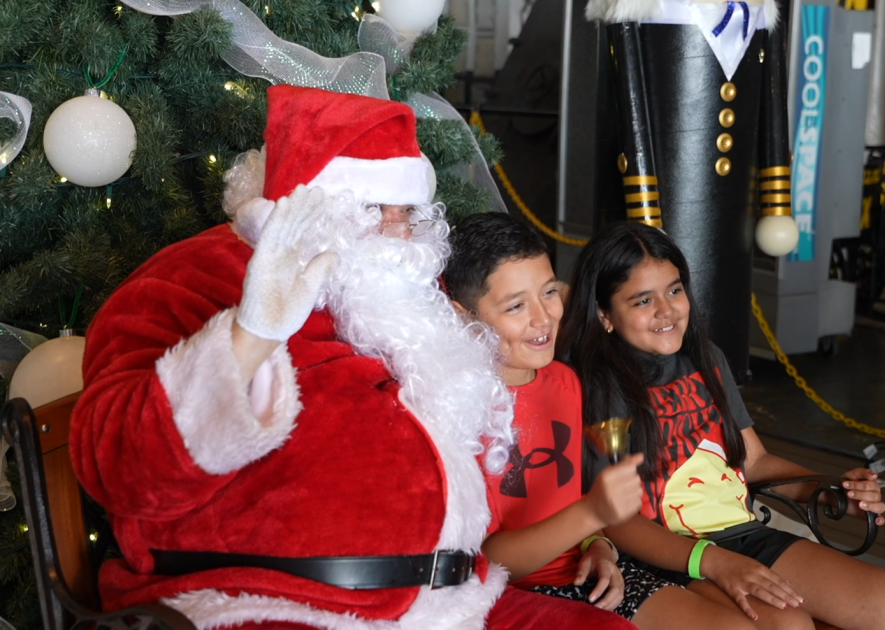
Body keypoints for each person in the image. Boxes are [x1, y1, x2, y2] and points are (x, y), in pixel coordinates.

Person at [69, 85, 632, 630]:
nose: (395, 230)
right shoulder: (189, 279)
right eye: (371, 206)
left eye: (405, 209)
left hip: (451, 601)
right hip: (275, 601)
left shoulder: (409, 296)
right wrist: (249, 338)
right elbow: (120, 469)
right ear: (305, 204)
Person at [557, 221, 885, 630]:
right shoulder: (599, 388)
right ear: (604, 314)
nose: (667, 310)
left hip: (742, 532)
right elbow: (614, 518)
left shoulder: (706, 358)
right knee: (788, 624)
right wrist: (715, 561)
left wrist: (830, 492)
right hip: (668, 554)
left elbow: (754, 461)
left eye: (675, 290)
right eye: (642, 300)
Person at [443, 212, 767, 630]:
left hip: (588, 573)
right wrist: (593, 516)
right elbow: (491, 563)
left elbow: (572, 499)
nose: (543, 319)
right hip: (507, 595)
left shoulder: (565, 382)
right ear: (464, 317)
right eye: (516, 306)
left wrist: (598, 546)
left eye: (548, 293)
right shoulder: (455, 410)